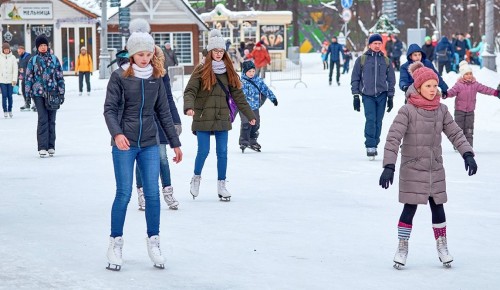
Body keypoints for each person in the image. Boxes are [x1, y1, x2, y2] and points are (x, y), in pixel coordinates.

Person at [379, 61, 477, 269]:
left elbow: (455, 132)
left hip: (434, 168)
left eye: (435, 85)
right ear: (418, 87)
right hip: (412, 167)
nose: (433, 90)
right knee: (409, 208)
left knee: (438, 207)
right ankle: (402, 246)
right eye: (428, 86)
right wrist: (389, 166)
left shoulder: (441, 110)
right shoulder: (407, 110)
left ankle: (442, 245)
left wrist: (467, 153)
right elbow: (393, 139)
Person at [103, 20, 183, 271]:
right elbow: (109, 109)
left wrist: (175, 142)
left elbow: (163, 112)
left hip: (149, 141)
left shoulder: (156, 77)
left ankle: (154, 241)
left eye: (149, 54)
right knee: (124, 193)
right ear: (131, 53)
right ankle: (115, 242)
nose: (145, 58)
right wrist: (116, 134)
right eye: (141, 54)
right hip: (125, 143)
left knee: (152, 194)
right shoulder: (119, 77)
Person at [183, 29, 256, 202]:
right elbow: (190, 91)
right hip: (202, 116)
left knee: (222, 152)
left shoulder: (228, 71)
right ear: (209, 52)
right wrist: (189, 107)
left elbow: (238, 96)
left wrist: (249, 114)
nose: (218, 54)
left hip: (222, 116)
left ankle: (221, 185)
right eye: (215, 51)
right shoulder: (200, 70)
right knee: (203, 151)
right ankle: (196, 178)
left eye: (221, 51)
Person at [136, 45, 183, 211]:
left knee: (162, 157)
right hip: (142, 121)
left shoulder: (162, 75)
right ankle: (142, 194)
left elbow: (169, 99)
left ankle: (167, 192)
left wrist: (176, 120)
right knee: (141, 159)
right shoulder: (137, 74)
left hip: (161, 120)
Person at [351, 33, 396, 158]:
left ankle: (375, 143)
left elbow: (391, 80)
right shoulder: (362, 60)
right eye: (374, 43)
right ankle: (370, 145)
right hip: (367, 95)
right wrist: (355, 95)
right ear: (369, 45)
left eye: (379, 43)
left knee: (378, 121)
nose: (377, 46)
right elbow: (355, 78)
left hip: (382, 95)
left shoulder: (386, 60)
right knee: (371, 119)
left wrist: (390, 97)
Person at [24, 34, 65, 157]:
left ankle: (51, 146)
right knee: (43, 119)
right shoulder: (33, 60)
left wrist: (61, 92)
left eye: (45, 45)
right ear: (37, 47)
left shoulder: (54, 59)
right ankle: (42, 147)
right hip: (38, 94)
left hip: (52, 94)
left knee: (51, 120)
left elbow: (59, 76)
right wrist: (27, 95)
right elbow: (28, 78)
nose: (43, 47)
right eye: (41, 45)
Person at [443, 61, 499, 147]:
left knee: (469, 129)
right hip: (459, 111)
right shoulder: (459, 85)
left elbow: (485, 89)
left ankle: (468, 146)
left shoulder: (475, 84)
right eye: (466, 74)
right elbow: (452, 92)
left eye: (470, 73)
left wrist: (495, 92)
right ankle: (458, 145)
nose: (469, 75)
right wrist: (446, 94)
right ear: (462, 75)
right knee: (459, 129)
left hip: (470, 111)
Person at [239, 60, 278, 152]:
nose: (252, 73)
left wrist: (273, 98)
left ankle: (252, 141)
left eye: (253, 71)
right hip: (244, 108)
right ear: (244, 72)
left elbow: (266, 90)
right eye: (249, 71)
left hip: (255, 107)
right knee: (246, 124)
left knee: (256, 124)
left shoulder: (258, 81)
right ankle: (244, 141)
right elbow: (234, 94)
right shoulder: (241, 82)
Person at [0, 42, 18, 118]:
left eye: (7, 49)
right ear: (3, 50)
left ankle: (10, 109)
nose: (6, 51)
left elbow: (15, 69)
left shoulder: (13, 57)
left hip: (11, 80)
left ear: (9, 49)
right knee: (4, 96)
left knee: (10, 96)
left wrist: (14, 79)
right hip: (2, 80)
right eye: (5, 49)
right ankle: (5, 110)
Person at [17, 45, 33, 111]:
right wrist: (20, 73)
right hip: (24, 76)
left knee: (31, 90)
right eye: (18, 51)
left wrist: (25, 70)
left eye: (20, 51)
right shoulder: (20, 58)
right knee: (23, 89)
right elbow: (20, 67)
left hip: (30, 76)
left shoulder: (28, 57)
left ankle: (35, 104)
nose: (19, 52)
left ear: (23, 50)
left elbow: (31, 66)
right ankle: (27, 103)